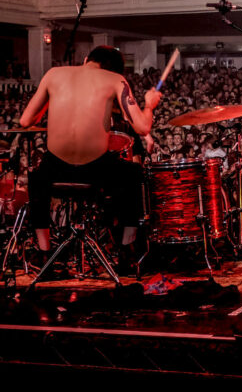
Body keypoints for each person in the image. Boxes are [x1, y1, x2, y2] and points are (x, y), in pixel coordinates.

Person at [20, 46, 161, 269]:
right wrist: (149, 104)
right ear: (114, 68)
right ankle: (127, 251)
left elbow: (25, 121)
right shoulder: (116, 80)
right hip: (96, 168)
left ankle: (44, 253)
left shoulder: (53, 74)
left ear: (87, 59)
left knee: (36, 178)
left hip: (56, 167)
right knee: (133, 173)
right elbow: (143, 127)